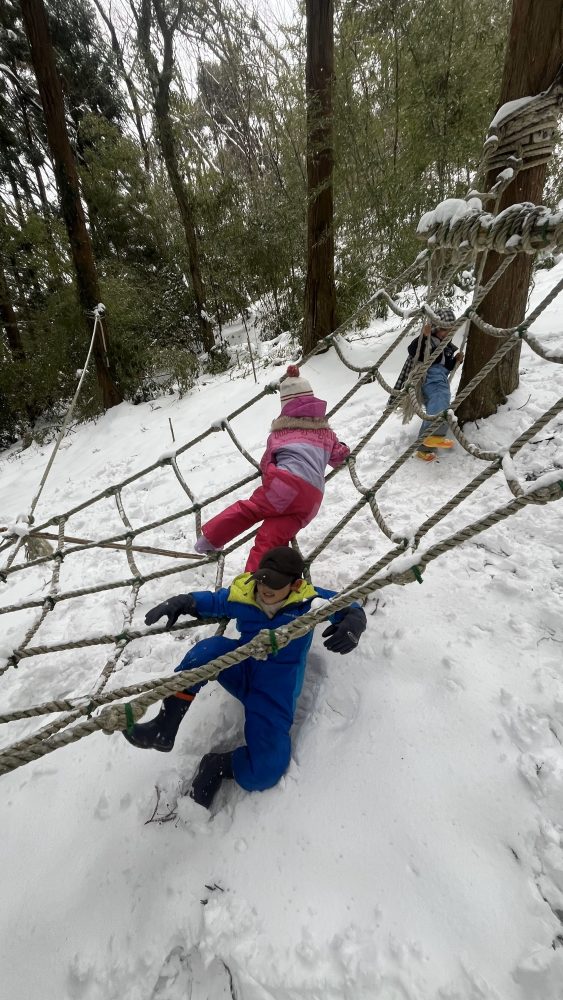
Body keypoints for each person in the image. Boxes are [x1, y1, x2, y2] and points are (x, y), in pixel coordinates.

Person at [123, 546, 367, 809]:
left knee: (266, 770)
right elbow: (215, 601)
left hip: (273, 693)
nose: (264, 588)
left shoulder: (309, 602)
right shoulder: (246, 593)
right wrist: (184, 601)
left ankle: (216, 765)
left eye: (274, 583)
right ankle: (165, 725)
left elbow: (349, 604)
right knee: (208, 650)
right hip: (241, 668)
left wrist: (354, 621)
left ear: (296, 584)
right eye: (262, 578)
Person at [193, 366, 349, 571]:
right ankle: (255, 584)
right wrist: (344, 449)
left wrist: (272, 476)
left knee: (249, 510)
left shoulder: (279, 434)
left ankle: (210, 540)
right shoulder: (327, 433)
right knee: (270, 541)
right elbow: (338, 458)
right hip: (311, 501)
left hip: (284, 485)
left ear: (285, 407)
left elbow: (266, 464)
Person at [406, 306, 464, 463]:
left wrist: (456, 360)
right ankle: (435, 435)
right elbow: (413, 350)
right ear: (435, 329)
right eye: (444, 330)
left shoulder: (447, 347)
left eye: (450, 330)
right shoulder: (429, 341)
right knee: (440, 404)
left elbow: (447, 365)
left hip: (442, 380)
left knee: (441, 406)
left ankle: (424, 449)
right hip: (430, 379)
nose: (447, 334)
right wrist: (423, 337)